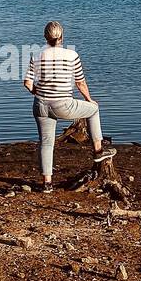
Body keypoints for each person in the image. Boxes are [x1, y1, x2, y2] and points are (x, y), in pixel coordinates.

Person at [23, 21, 116, 193]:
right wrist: (89, 99)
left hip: (40, 105)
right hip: (63, 104)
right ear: (62, 37)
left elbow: (27, 83)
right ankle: (98, 151)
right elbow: (80, 82)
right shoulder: (71, 55)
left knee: (46, 143)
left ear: (45, 37)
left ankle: (47, 184)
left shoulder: (36, 55)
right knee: (93, 110)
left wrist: (40, 93)